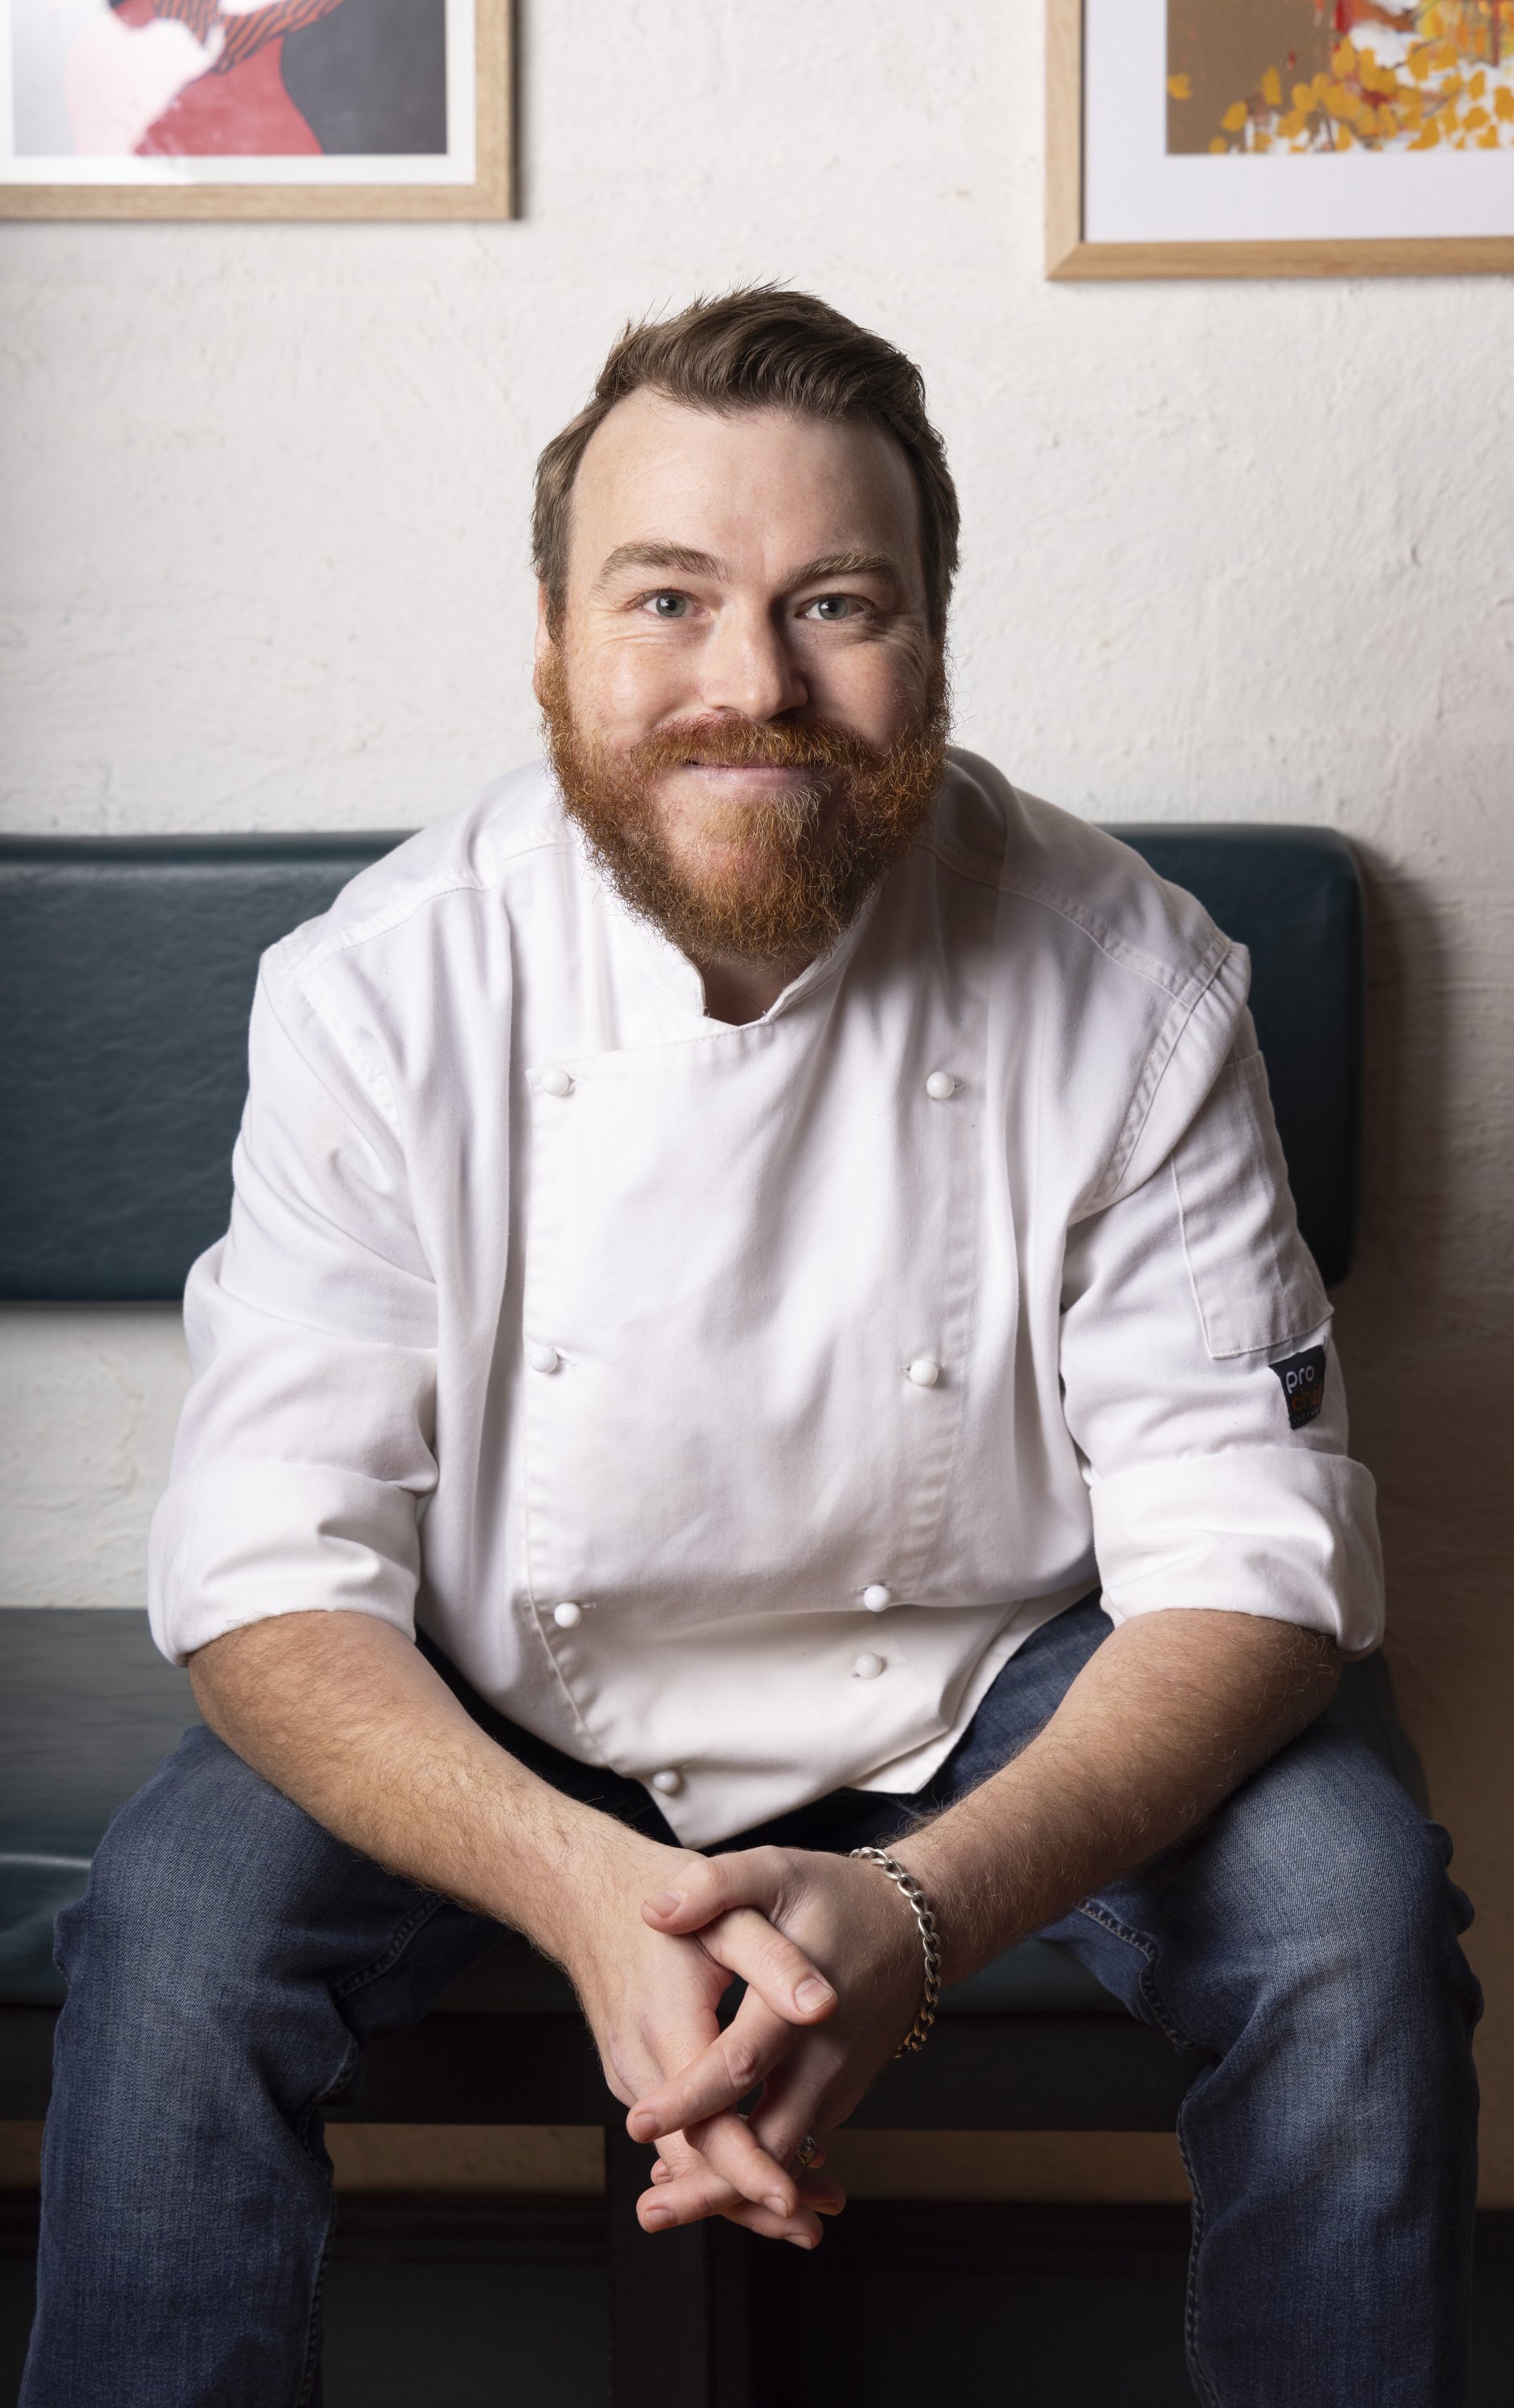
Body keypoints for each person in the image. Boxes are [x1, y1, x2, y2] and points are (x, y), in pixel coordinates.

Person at [22, 287, 1479, 2406]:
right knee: (170, 1945)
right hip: (499, 1686)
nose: (752, 685)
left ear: (937, 642)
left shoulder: (1132, 981)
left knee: (1350, 1923)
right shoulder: (383, 987)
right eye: (669, 599)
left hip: (998, 1676)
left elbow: (1245, 1579)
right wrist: (590, 1893)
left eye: (835, 601)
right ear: (552, 645)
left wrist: (924, 1916)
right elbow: (268, 1575)